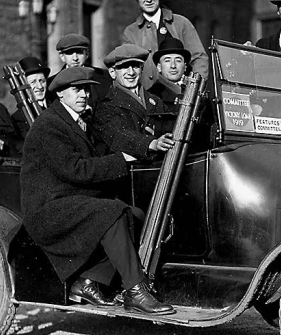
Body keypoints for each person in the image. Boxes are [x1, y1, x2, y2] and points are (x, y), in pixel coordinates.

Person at [20, 66, 174, 315]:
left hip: (71, 201)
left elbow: (109, 143)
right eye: (76, 90)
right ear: (60, 94)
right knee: (113, 212)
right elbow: (75, 169)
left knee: (133, 215)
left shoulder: (79, 121)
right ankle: (135, 290)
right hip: (48, 209)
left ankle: (87, 282)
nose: (83, 94)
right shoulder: (49, 125)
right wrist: (121, 160)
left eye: (86, 89)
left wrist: (146, 144)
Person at [121, 0, 208, 90]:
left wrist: (194, 90)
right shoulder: (131, 32)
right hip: (148, 98)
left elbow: (199, 59)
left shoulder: (181, 23)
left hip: (181, 94)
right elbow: (127, 69)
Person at [93, 44, 176, 161]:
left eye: (136, 66)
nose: (131, 72)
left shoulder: (155, 101)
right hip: (131, 173)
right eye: (124, 67)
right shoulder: (106, 105)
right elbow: (119, 135)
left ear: (142, 69)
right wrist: (151, 143)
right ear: (112, 72)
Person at [46, 33, 111, 108]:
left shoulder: (104, 76)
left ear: (87, 54)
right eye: (70, 53)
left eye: (79, 52)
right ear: (62, 56)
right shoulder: (52, 84)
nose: (75, 58)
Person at [11, 56, 50, 138]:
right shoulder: (19, 118)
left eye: (42, 81)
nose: (39, 86)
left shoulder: (57, 104)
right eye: (33, 82)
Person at [148, 37, 191, 109]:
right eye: (167, 60)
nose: (173, 66)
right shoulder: (151, 95)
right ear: (159, 67)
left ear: (185, 66)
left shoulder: (195, 92)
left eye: (178, 60)